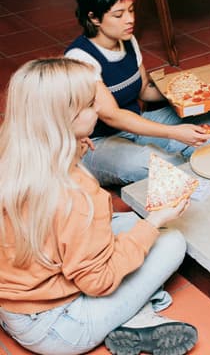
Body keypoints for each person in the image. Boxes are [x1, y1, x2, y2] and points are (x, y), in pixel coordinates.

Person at [0, 58, 197, 355]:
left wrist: (73, 150)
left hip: (13, 305)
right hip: (59, 327)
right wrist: (155, 221)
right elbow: (98, 281)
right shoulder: (78, 195)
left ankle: (132, 314)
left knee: (128, 224)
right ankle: (138, 317)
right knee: (171, 241)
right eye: (92, 104)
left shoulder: (12, 153)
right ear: (64, 118)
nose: (99, 110)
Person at [66, 0, 210, 186]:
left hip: (135, 126)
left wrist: (191, 91)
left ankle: (171, 159)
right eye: (118, 15)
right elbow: (112, 116)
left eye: (131, 10)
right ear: (94, 18)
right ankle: (173, 159)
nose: (130, 20)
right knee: (147, 163)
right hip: (98, 142)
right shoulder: (80, 57)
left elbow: (145, 90)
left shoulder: (128, 40)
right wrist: (174, 132)